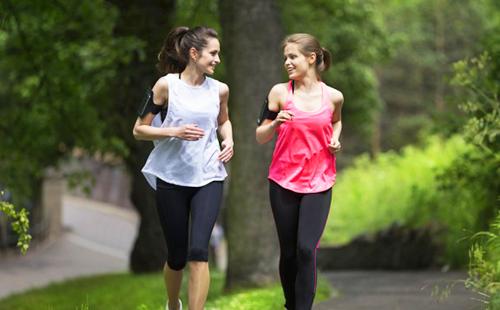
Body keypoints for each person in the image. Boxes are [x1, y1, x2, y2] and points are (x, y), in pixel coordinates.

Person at [133, 26, 233, 310]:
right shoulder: (166, 85)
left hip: (209, 175)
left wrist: (229, 140)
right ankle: (173, 303)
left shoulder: (220, 90)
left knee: (199, 251)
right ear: (193, 53)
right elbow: (139, 130)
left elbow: (223, 120)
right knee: (177, 256)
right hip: (172, 176)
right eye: (213, 53)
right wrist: (174, 131)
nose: (217, 59)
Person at [256, 33, 343, 310]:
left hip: (319, 181)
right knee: (290, 253)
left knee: (307, 249)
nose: (287, 63)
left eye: (292, 57)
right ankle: (291, 304)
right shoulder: (279, 93)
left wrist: (336, 139)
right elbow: (260, 135)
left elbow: (337, 121)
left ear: (311, 57)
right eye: (285, 58)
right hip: (283, 181)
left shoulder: (333, 97)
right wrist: (274, 124)